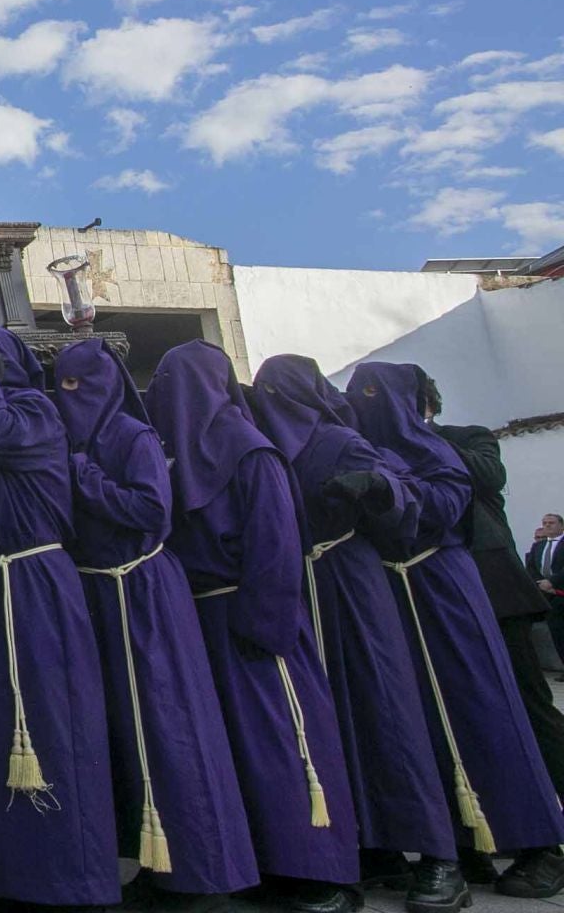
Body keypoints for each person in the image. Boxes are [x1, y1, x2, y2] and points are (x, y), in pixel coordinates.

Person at [149, 340, 360, 913]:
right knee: (238, 752)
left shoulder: (251, 452)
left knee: (284, 741)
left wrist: (266, 624)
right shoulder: (177, 459)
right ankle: (263, 863)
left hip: (254, 621)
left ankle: (322, 875)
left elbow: (276, 546)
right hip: (202, 624)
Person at [249, 356, 463, 911]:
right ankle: (366, 850)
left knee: (387, 712)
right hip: (302, 589)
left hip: (352, 588)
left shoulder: (340, 441)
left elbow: (407, 497)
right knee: (333, 723)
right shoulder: (267, 448)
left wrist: (376, 489)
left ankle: (440, 858)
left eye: (281, 391)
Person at [349, 362, 564, 898]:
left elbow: (463, 491)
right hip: (404, 598)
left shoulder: (451, 445)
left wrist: (394, 471)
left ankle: (543, 844)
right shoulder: (367, 450)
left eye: (376, 395)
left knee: (501, 713)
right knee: (433, 723)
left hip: (466, 594)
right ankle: (470, 848)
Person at [56, 339, 258, 909]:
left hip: (143, 593)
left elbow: (150, 510)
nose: (69, 396)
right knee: (127, 734)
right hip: (100, 594)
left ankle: (203, 871)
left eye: (79, 385)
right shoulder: (76, 439)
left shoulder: (131, 436)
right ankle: (156, 858)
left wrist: (83, 474)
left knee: (172, 727)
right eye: (62, 384)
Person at [0, 325, 120, 911]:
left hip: (32, 589)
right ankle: (17, 882)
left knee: (53, 733)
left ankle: (73, 885)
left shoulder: (34, 410)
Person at [436, 384, 564, 796]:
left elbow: (489, 474)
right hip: (444, 597)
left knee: (529, 700)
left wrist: (416, 437)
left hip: (499, 596)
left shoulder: (469, 437)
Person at [526, 515, 564, 665]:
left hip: (560, 592)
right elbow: (531, 568)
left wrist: (552, 582)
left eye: (551, 523)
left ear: (561, 526)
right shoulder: (538, 546)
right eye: (545, 523)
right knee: (557, 632)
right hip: (546, 595)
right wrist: (540, 583)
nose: (547, 526)